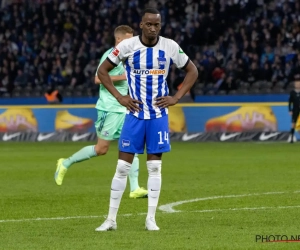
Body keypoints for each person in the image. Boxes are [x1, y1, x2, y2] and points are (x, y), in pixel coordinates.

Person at [95, 8, 198, 231]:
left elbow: (192, 70)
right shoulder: (127, 47)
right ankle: (111, 220)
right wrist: (120, 97)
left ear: (160, 26)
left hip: (158, 116)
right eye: (149, 24)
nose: (153, 28)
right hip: (134, 115)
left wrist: (177, 97)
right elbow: (102, 71)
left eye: (157, 25)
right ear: (141, 25)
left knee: (154, 167)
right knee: (122, 167)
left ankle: (150, 218)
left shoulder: (169, 46)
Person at [54, 25, 148, 199]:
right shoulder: (110, 55)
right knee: (101, 149)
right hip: (110, 108)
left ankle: (134, 188)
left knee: (132, 146)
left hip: (127, 108)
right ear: (119, 39)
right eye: (129, 38)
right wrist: (124, 77)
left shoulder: (131, 57)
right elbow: (98, 78)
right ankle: (65, 163)